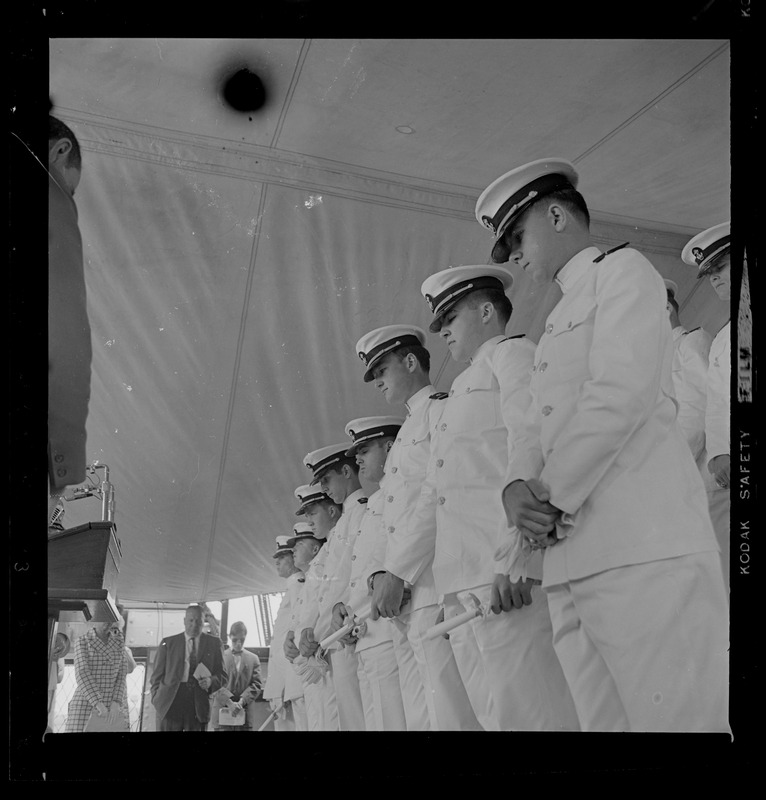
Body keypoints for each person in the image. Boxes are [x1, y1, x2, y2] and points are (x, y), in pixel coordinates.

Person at [476, 157, 729, 731]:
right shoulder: (554, 324)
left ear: (558, 214)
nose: (515, 255)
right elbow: (539, 430)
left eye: (518, 236)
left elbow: (620, 394)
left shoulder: (624, 272)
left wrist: (546, 502)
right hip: (572, 563)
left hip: (642, 550)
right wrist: (516, 490)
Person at [399, 264, 578, 732]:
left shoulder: (513, 354)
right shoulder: (457, 390)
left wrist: (520, 556)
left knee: (535, 714)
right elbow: (440, 490)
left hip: (501, 573)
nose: (445, 336)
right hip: (462, 581)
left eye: (450, 321)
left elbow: (531, 441)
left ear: (484, 311)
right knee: (492, 717)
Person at [358, 324, 480, 731]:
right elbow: (392, 517)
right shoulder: (407, 430)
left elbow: (435, 496)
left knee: (449, 709)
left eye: (382, 370)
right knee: (419, 713)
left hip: (429, 582)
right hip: (405, 594)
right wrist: (383, 575)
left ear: (411, 362)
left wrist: (399, 572)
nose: (377, 381)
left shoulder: (441, 410)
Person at [328, 416, 408, 730]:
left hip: (388, 628)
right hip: (364, 634)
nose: (358, 457)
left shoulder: (393, 495)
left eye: (365, 448)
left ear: (390, 446)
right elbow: (359, 575)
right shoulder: (374, 503)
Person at [297, 444, 367, 731]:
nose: (325, 488)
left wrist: (318, 633)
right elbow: (326, 590)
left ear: (347, 471)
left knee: (356, 719)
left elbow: (347, 582)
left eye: (326, 480)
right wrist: (310, 633)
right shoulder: (342, 527)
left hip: (346, 633)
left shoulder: (361, 513)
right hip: (331, 639)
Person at [682, 222, 731, 592]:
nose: (713, 278)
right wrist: (721, 450)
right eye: (709, 272)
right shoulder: (726, 334)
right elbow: (719, 402)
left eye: (721, 267)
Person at [48, 116, 92, 524]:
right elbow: (67, 340)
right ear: (59, 151)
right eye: (70, 184)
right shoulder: (51, 201)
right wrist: (64, 466)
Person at [285, 509, 336, 731]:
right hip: (307, 664)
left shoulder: (321, 568)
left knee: (328, 720)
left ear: (316, 548)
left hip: (319, 659)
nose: (293, 550)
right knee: (318, 721)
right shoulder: (305, 579)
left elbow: (325, 607)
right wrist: (290, 637)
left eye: (300, 544)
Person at [150, 604, 227, 731]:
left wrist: (210, 681)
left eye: (199, 621)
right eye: (191, 620)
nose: (194, 624)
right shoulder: (168, 643)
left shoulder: (214, 643)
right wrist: (156, 699)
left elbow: (223, 675)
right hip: (170, 702)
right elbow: (156, 677)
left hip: (198, 703)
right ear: (184, 621)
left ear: (203, 622)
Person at [664, 279, 712, 473]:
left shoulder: (692, 342)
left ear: (666, 309)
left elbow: (697, 410)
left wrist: (671, 466)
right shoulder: (660, 357)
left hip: (695, 465)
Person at [262, 535, 307, 731]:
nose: (277, 562)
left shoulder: (298, 583)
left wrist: (284, 686)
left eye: (283, 556)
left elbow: (297, 634)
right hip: (284, 682)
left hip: (293, 680)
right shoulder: (291, 587)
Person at [65, 619, 129, 732]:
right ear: (94, 620)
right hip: (87, 702)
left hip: (112, 706)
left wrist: (116, 702)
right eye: (104, 617)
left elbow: (121, 674)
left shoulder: (119, 641)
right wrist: (98, 704)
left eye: (111, 618)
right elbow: (82, 674)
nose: (108, 621)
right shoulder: (82, 641)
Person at [211, 622, 263, 731]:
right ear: (230, 636)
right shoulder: (219, 657)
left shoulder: (254, 659)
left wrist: (241, 702)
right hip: (222, 712)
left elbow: (257, 684)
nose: (238, 643)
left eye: (242, 640)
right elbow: (215, 683)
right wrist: (229, 702)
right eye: (235, 640)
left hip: (244, 714)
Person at [47, 632, 70, 731]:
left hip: (51, 684)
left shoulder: (58, 658)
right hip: (51, 685)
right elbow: (60, 677)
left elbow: (60, 677)